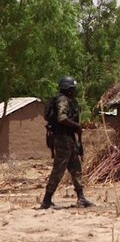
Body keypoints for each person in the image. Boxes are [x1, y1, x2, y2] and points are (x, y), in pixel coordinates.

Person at [40, 76, 93, 209]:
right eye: (73, 88)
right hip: (63, 139)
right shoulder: (63, 100)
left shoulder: (68, 100)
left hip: (68, 138)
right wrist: (76, 126)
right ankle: (46, 200)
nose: (74, 91)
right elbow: (62, 118)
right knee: (59, 169)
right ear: (68, 89)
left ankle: (81, 198)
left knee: (76, 168)